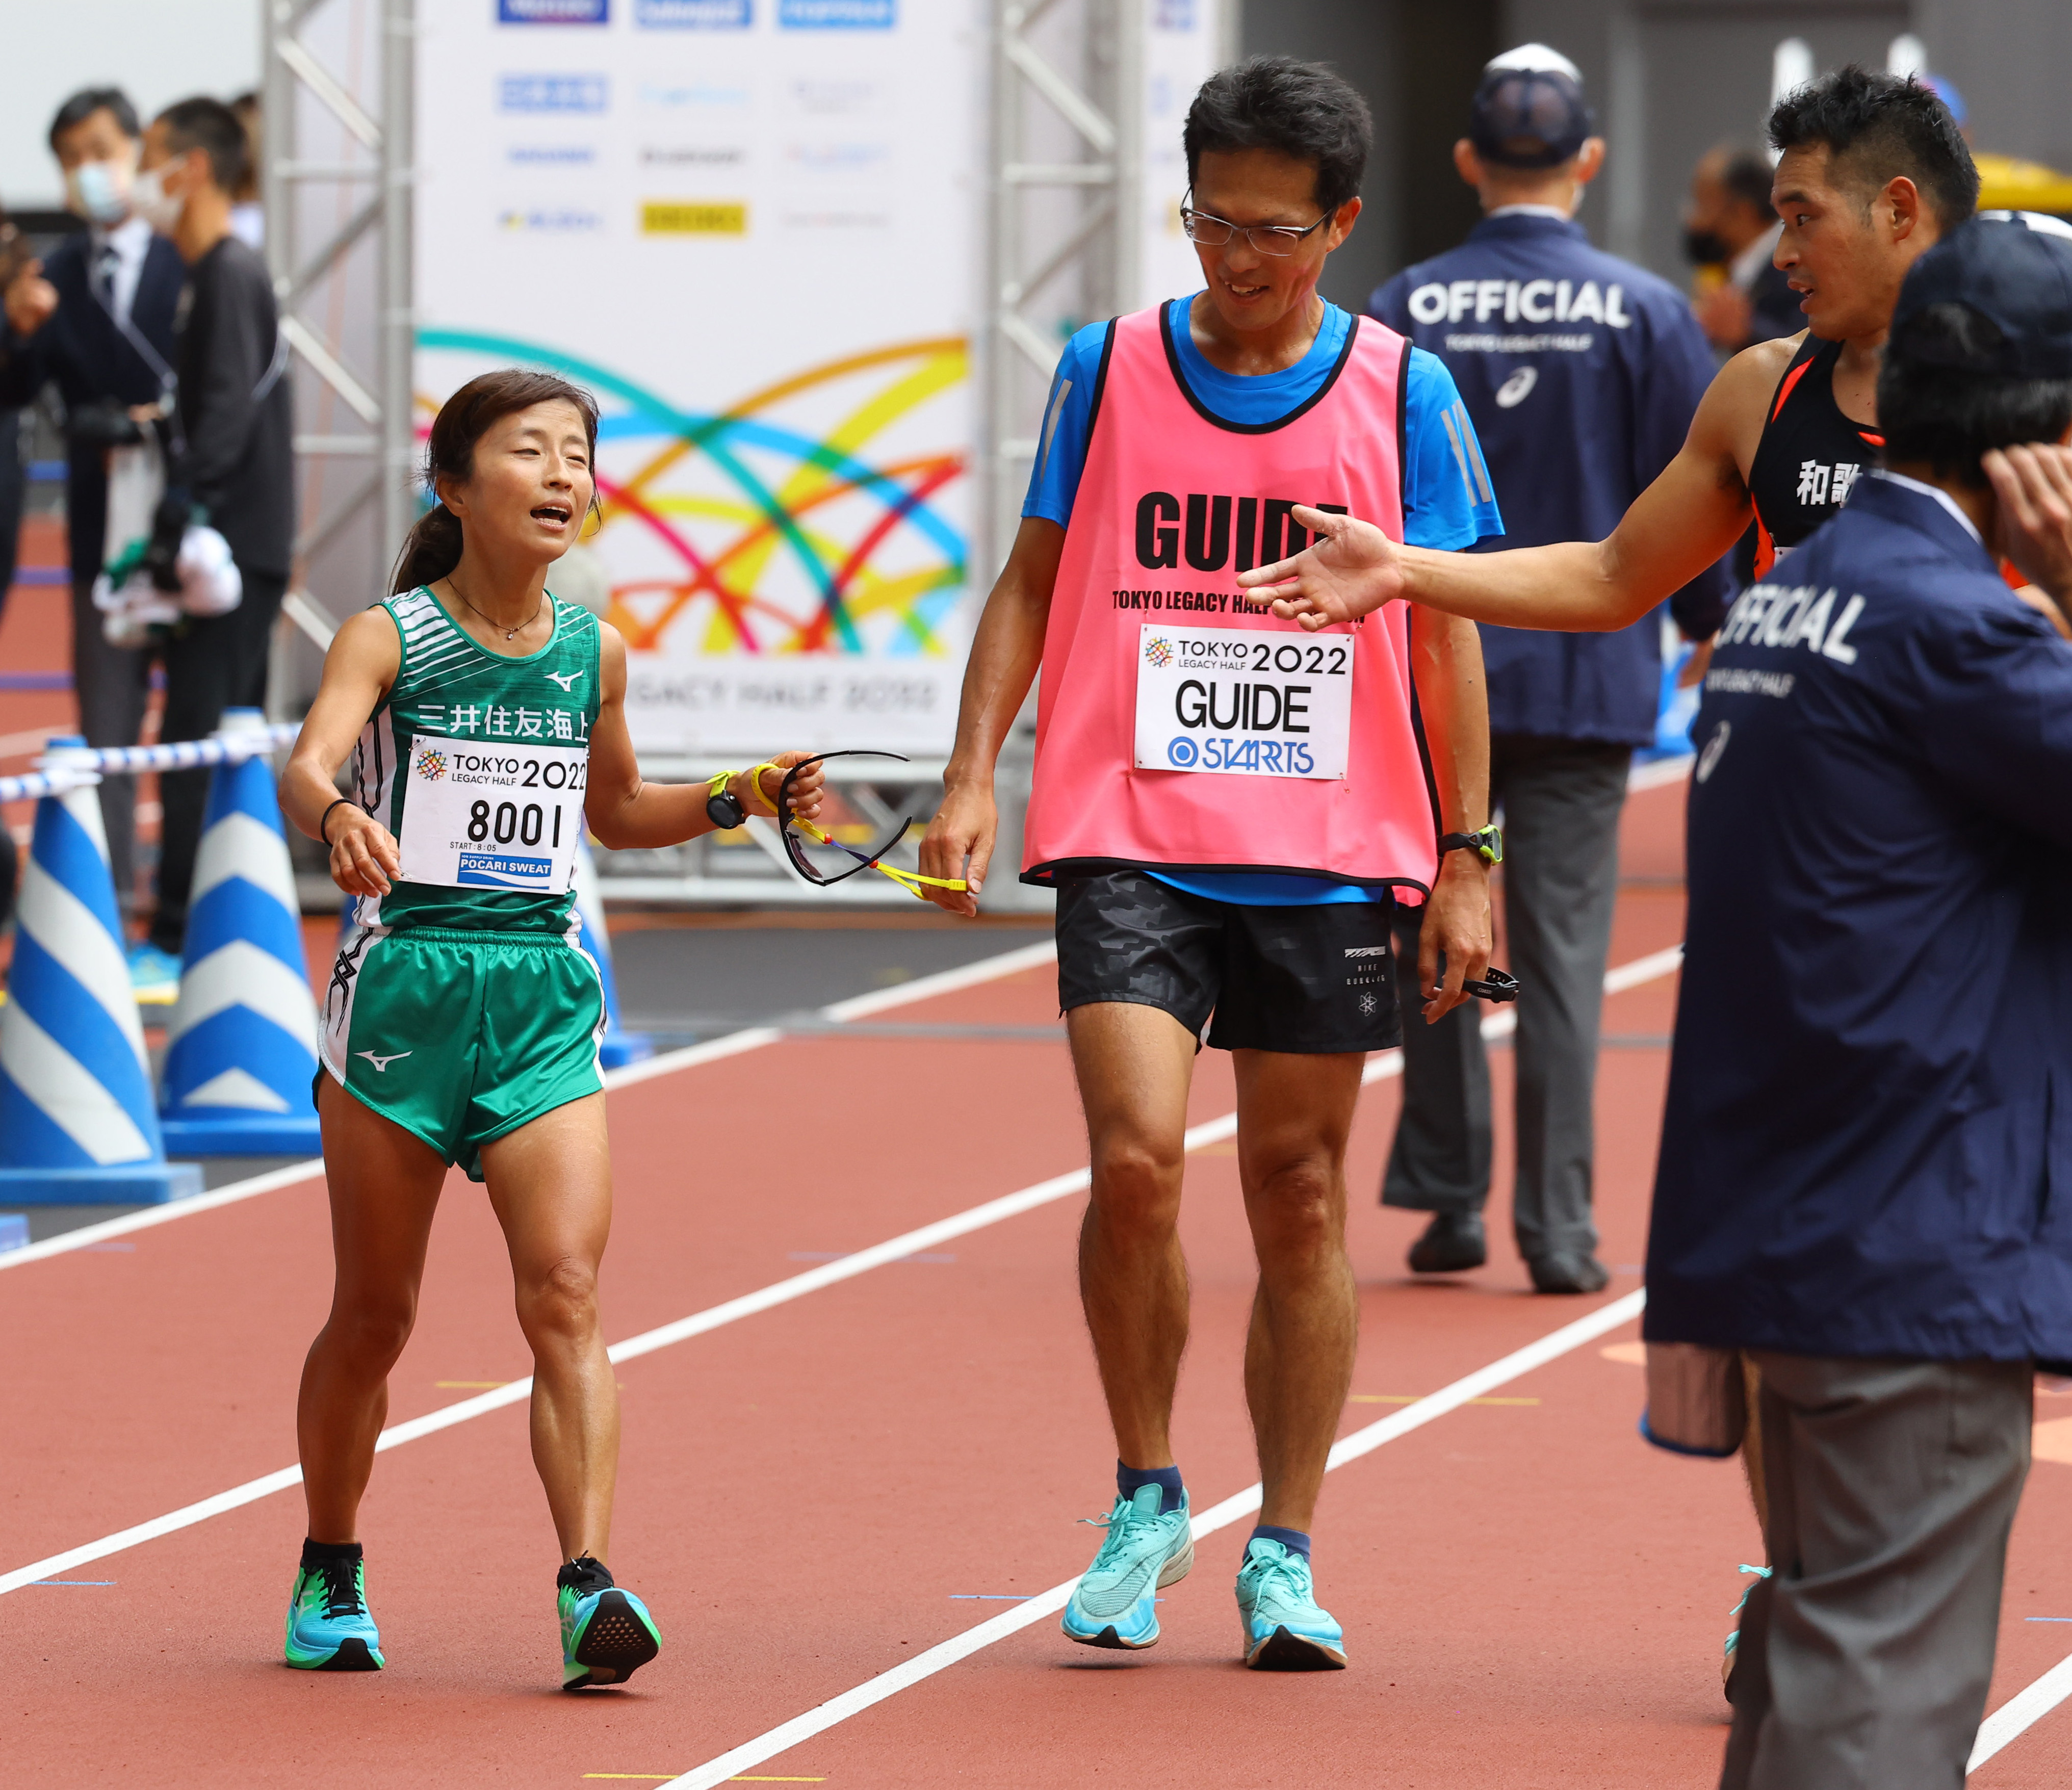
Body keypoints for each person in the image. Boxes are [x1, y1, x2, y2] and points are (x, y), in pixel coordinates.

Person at [1235, 63, 1979, 1689]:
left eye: (1798, 215)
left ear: (1898, 208)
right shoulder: (1758, 394)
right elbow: (1611, 572)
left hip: (1979, 918)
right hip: (1786, 902)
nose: (1772, 247)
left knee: (1935, 1298)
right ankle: (1795, 1581)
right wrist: (1402, 570)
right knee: (1787, 1276)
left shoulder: (2028, 412)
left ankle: (1883, 1613)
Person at [917, 56, 1500, 1671]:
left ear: (1339, 226)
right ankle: (1144, 1490)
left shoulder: (1403, 393)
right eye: (1208, 223)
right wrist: (972, 775)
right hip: (1130, 829)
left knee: (1300, 1195)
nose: (1235, 261)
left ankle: (1286, 1547)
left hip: (1326, 849)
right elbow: (1030, 582)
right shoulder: (1105, 367)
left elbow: (1448, 638)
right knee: (1133, 1160)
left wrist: (1468, 851)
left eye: (1271, 234)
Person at [278, 367, 827, 1686]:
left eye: (579, 454)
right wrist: (338, 812)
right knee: (374, 1311)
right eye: (531, 452)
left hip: (538, 996)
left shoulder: (597, 652)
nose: (565, 476)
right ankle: (330, 1563)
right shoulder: (388, 637)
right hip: (404, 990)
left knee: (568, 1291)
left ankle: (589, 1583)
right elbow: (307, 761)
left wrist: (738, 794)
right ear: (457, 486)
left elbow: (617, 811)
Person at [1659, 214, 2072, 1788]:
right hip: (1907, 1245)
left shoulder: (1803, 584)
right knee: (1876, 1718)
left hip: (1794, 1218)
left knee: (1811, 1679)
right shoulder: (1960, 634)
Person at [1368, 45, 1729, 1294]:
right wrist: (1710, 619)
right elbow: (1704, 485)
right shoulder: (1645, 309)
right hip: (1583, 674)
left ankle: (1447, 1199)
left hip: (1428, 670)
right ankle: (1559, 1226)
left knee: (1436, 925)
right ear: (1589, 159)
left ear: (1467, 162)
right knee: (1564, 954)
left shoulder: (1405, 301)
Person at [0, 88, 185, 958]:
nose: (90, 171)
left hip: (187, 519)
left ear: (137, 149)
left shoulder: (193, 257)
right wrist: (17, 332)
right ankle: (110, 901)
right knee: (107, 717)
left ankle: (188, 896)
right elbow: (17, 395)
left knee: (194, 709)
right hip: (95, 524)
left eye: (101, 149)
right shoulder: (58, 272)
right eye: (71, 157)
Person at [132, 97, 295, 966]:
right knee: (218, 729)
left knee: (199, 734)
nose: (136, 176)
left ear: (189, 166)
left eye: (149, 155)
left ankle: (177, 936)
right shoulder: (215, 272)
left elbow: (227, 411)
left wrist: (185, 504)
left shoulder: (229, 270)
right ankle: (212, 932)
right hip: (230, 544)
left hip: (228, 548)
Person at [1685, 145, 1804, 355]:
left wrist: (1746, 332)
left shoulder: (1795, 270)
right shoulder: (1739, 275)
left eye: (1703, 205)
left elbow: (1816, 350)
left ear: (1743, 213)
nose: (1692, 221)